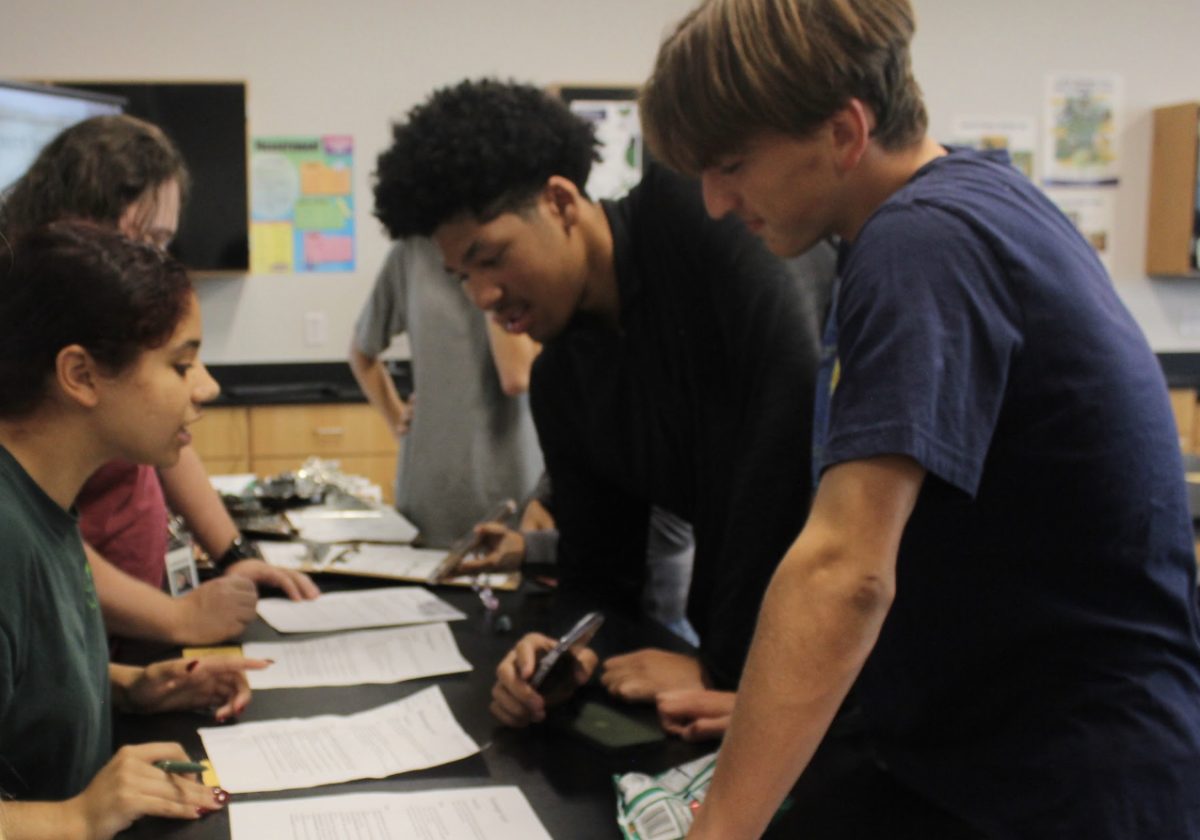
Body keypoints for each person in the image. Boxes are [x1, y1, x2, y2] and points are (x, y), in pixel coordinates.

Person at [638, 1, 1200, 837]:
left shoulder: (920, 247)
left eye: (732, 164)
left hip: (1066, 784)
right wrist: (773, 719)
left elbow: (846, 572)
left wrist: (721, 826)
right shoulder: (968, 205)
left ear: (843, 132)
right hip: (985, 744)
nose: (718, 203)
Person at [373, 79, 834, 730]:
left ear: (560, 202)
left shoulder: (693, 215)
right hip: (776, 662)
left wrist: (727, 669)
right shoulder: (564, 381)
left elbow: (788, 424)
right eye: (462, 276)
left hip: (889, 627)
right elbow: (598, 578)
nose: (481, 295)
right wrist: (568, 652)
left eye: (490, 258)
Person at [0, 114, 318, 651]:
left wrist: (233, 554)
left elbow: (171, 440)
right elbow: (42, 540)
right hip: (95, 615)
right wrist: (175, 620)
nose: (153, 261)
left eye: (163, 244)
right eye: (144, 240)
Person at [0, 222, 269, 838]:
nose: (207, 387)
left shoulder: (45, 496)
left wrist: (125, 688)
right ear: (82, 376)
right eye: (181, 364)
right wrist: (75, 817)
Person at [348, 235, 543, 548]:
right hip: (430, 494)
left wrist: (483, 264)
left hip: (516, 483)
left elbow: (516, 376)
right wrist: (399, 421)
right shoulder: (411, 253)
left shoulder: (516, 245)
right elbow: (362, 353)